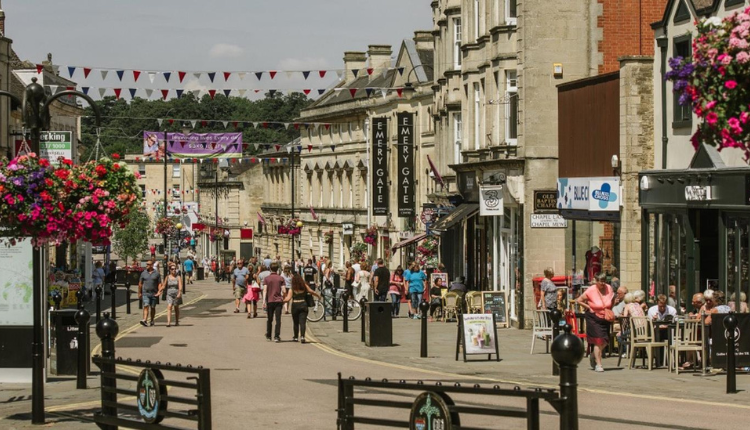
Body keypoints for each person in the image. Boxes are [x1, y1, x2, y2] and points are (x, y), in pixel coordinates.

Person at [575, 272, 613, 373]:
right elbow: (579, 300)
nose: (603, 283)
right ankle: (599, 364)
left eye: (604, 281)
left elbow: (611, 301)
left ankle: (593, 355)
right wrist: (589, 307)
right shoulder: (591, 290)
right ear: (596, 281)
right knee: (598, 341)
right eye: (601, 282)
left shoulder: (609, 288)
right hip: (593, 318)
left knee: (605, 341)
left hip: (605, 318)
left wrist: (610, 309)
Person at [283, 274, 321, 343]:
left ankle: (295, 337)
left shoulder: (292, 288)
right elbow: (311, 291)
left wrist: (281, 301)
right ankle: (303, 337)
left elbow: (288, 299)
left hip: (295, 305)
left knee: (295, 322)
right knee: (302, 322)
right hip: (303, 304)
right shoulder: (304, 286)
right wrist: (318, 296)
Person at [263, 262, 286, 342]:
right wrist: (284, 297)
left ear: (270, 269)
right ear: (277, 269)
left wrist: (263, 301)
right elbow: (284, 290)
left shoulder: (267, 279)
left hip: (270, 301)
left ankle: (269, 335)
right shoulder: (281, 278)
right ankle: (277, 336)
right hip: (278, 301)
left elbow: (265, 290)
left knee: (270, 319)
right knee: (278, 319)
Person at [138, 260, 162, 327]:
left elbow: (159, 283)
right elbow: (140, 284)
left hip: (154, 293)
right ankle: (145, 320)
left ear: (151, 265)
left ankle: (152, 320)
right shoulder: (143, 273)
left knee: (153, 307)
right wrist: (139, 292)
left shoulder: (156, 273)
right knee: (146, 305)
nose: (146, 266)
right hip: (145, 293)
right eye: (146, 264)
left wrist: (159, 291)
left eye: (148, 264)